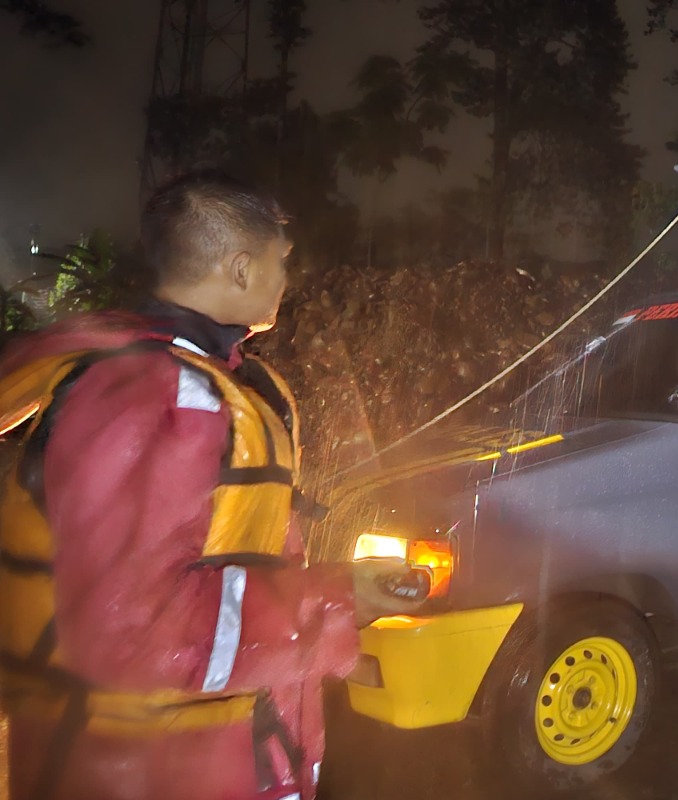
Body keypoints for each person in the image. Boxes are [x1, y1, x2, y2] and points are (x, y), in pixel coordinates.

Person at [0, 172, 420, 800]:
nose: (287, 279)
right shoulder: (150, 395)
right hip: (143, 773)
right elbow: (137, 631)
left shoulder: (202, 378)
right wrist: (334, 600)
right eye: (282, 262)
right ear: (242, 268)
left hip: (212, 756)